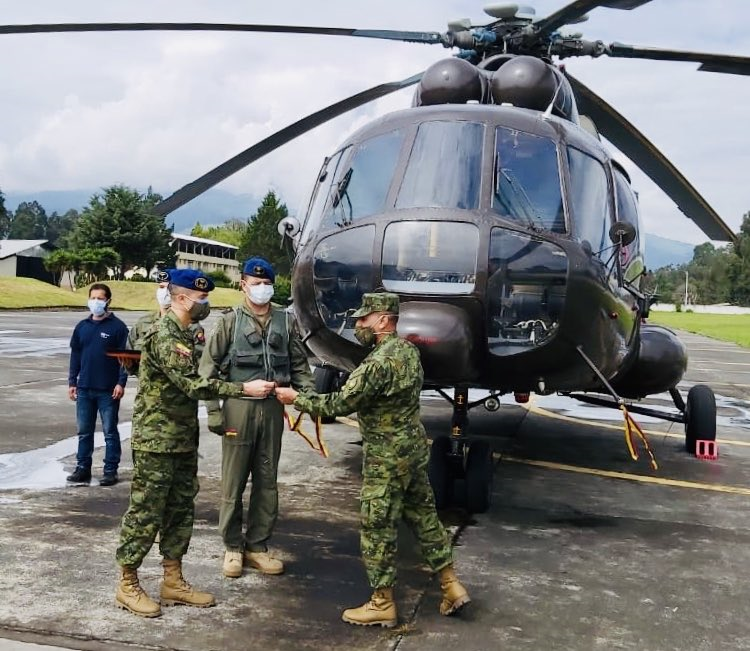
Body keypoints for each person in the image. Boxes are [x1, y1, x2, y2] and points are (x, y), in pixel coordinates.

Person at [275, 292, 470, 628]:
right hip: (411, 453)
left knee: (376, 527)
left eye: (364, 320)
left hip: (387, 459)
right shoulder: (409, 352)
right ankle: (451, 585)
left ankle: (382, 602)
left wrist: (297, 398)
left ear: (383, 320)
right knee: (424, 519)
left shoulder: (377, 364)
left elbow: (336, 405)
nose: (358, 325)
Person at [114, 269, 260, 619]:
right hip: (156, 441)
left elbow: (206, 371)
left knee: (181, 510)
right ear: (181, 299)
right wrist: (243, 389)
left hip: (180, 439)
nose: (204, 304)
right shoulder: (165, 334)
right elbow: (194, 385)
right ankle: (128, 583)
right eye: (200, 299)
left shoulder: (187, 332)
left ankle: (173, 580)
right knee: (146, 512)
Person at [198, 256, 314, 579]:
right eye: (256, 283)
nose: (262, 289)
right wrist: (214, 410)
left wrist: (309, 399)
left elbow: (300, 366)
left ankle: (257, 547)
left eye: (267, 284)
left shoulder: (285, 321)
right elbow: (205, 373)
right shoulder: (229, 323)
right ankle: (233, 547)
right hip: (239, 409)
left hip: (273, 411)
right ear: (243, 285)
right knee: (233, 483)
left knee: (267, 482)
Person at [67, 282, 129, 487]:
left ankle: (110, 470)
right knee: (84, 431)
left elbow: (125, 359)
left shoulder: (118, 328)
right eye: (92, 298)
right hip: (84, 388)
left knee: (110, 431)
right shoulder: (82, 327)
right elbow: (76, 355)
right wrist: (72, 381)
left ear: (108, 301)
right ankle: (82, 468)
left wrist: (121, 383)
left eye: (100, 298)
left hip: (108, 390)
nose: (96, 302)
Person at [126, 269, 206, 374]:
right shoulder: (143, 323)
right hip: (148, 387)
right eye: (161, 287)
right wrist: (129, 365)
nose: (164, 292)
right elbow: (130, 359)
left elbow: (201, 364)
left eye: (168, 287)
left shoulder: (191, 325)